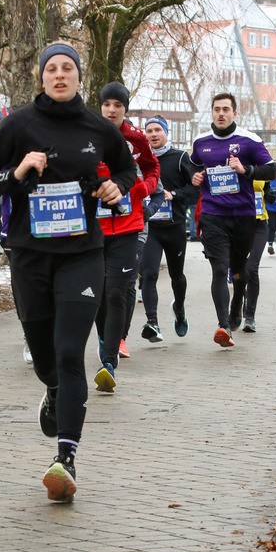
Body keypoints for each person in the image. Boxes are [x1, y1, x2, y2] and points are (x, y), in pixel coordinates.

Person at [0, 43, 136, 501]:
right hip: (28, 254)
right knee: (45, 358)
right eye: (52, 69)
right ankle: (54, 392)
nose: (60, 75)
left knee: (69, 351)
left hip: (82, 252)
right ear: (42, 78)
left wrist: (114, 189)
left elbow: (127, 171)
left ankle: (66, 458)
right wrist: (18, 170)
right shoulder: (19, 124)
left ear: (79, 77)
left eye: (68, 69)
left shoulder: (98, 127)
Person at [190, 93, 276, 347]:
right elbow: (192, 166)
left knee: (240, 271)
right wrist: (195, 177)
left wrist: (245, 170)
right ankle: (223, 326)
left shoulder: (249, 140)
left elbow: (272, 169)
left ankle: (238, 301)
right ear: (212, 113)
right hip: (213, 215)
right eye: (216, 109)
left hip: (243, 216)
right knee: (219, 268)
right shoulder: (201, 141)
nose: (221, 114)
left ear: (234, 113)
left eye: (226, 109)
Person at [94, 82, 159, 391]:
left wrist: (145, 187)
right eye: (106, 104)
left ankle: (108, 361)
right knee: (96, 294)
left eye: (117, 105)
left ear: (124, 109)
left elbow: (151, 166)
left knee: (118, 292)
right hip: (92, 229)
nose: (111, 110)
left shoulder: (136, 139)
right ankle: (105, 338)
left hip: (127, 226)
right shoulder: (86, 136)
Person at [141, 116, 196, 342]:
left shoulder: (180, 157)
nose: (153, 134)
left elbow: (195, 190)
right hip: (150, 226)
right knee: (149, 273)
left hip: (174, 227)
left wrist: (174, 195)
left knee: (176, 275)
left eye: (157, 130)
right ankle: (152, 322)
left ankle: (180, 309)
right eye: (149, 131)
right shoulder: (140, 160)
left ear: (166, 133)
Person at [241, 180, 270, 333]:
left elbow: (268, 191)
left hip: (259, 223)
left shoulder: (263, 169)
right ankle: (239, 302)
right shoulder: (232, 165)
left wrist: (271, 196)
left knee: (251, 268)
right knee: (238, 269)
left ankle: (250, 316)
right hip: (239, 223)